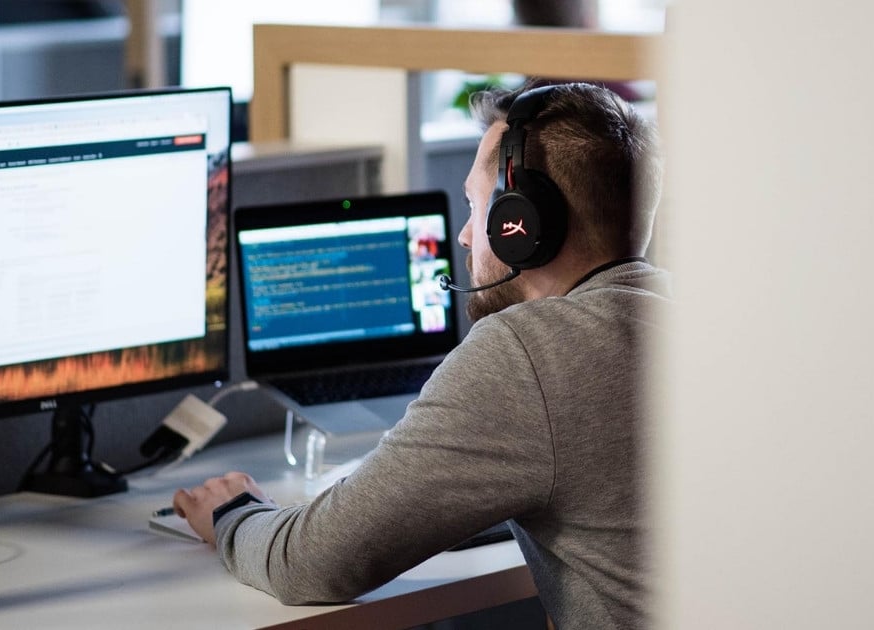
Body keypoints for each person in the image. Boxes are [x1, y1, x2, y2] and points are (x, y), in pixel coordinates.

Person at [173, 82, 670, 629]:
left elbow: (308, 564)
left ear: (520, 223)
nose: (462, 235)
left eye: (475, 205)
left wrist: (232, 513)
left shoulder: (528, 352)